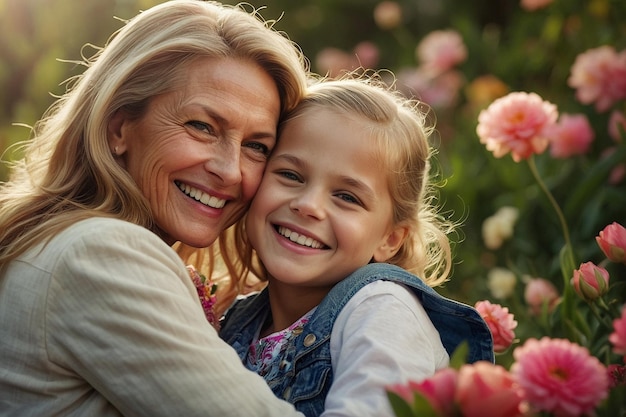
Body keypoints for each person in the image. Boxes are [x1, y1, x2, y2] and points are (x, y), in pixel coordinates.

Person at [0, 1, 310, 416]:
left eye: (257, 146)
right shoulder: (102, 254)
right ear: (119, 129)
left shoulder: (68, 241)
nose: (230, 171)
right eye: (202, 126)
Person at [219, 75, 495, 417]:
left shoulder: (383, 311)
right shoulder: (238, 320)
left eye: (346, 197)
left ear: (390, 238)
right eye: (291, 175)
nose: (309, 205)